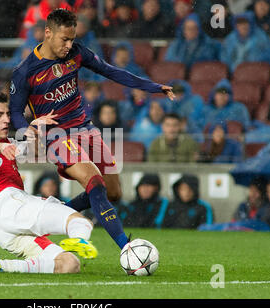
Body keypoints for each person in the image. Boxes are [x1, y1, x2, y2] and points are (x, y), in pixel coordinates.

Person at [9, 9, 174, 250]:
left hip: (86, 130)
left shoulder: (76, 53)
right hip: (57, 137)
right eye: (64, 39)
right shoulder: (25, 72)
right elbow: (15, 111)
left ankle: (58, 212)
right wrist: (27, 129)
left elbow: (110, 71)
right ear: (47, 33)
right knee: (95, 183)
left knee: (113, 192)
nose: (69, 45)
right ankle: (127, 249)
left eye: (72, 39)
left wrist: (152, 87)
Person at [0, 91, 97, 274]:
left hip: (2, 225)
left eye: (7, 114)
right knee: (80, 223)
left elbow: (37, 153)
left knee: (69, 265)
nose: (6, 120)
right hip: (10, 205)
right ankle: (80, 240)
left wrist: (35, 130)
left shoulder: (7, 141)